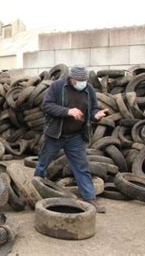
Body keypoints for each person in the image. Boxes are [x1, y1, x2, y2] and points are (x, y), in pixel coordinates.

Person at [34, 64, 108, 213]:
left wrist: (96, 116)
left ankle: (90, 197)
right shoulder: (57, 86)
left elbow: (93, 109)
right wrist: (68, 111)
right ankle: (35, 193)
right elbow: (47, 106)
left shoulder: (89, 89)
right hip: (55, 135)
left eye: (84, 79)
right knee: (43, 164)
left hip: (75, 136)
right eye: (79, 80)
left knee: (82, 167)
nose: (82, 82)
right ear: (71, 78)